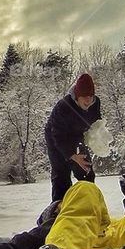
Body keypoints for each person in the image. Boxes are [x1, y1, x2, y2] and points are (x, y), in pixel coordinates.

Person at [44, 72, 101, 203]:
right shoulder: (63, 107)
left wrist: (98, 139)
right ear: (77, 96)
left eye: (91, 96)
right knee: (61, 175)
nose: (88, 100)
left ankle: (90, 204)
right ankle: (58, 210)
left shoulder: (96, 103)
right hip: (56, 138)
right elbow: (57, 135)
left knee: (86, 170)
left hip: (77, 136)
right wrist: (71, 155)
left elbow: (96, 123)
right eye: (84, 96)